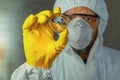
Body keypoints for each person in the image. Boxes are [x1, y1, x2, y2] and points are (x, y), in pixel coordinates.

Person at [11, 0, 120, 80]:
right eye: (70, 17)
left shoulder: (117, 62)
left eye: (88, 18)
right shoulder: (47, 65)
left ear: (101, 24)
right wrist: (37, 69)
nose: (79, 26)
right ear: (58, 22)